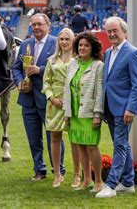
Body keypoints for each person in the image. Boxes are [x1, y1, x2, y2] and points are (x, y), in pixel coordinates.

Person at [12, 13, 65, 181]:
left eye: (40, 24)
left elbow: (62, 65)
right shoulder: (26, 44)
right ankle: (39, 169)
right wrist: (20, 82)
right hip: (27, 100)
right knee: (33, 138)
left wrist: (40, 70)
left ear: (48, 26)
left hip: (49, 100)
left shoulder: (57, 43)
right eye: (33, 24)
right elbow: (16, 68)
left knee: (54, 137)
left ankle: (58, 170)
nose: (36, 27)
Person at [96, 17, 137, 198]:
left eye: (115, 30)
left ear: (124, 31)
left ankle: (111, 185)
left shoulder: (133, 53)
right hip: (110, 107)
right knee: (122, 144)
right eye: (109, 31)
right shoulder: (108, 52)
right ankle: (129, 183)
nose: (112, 34)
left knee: (120, 146)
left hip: (124, 109)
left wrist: (131, 108)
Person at [63, 32, 105, 193]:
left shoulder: (98, 66)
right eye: (80, 45)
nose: (82, 48)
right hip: (74, 113)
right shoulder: (73, 63)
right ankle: (86, 179)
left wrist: (97, 114)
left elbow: (100, 92)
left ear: (92, 48)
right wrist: (67, 112)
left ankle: (99, 181)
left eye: (86, 45)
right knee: (80, 145)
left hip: (89, 113)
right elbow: (67, 89)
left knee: (91, 146)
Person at [42, 28, 78, 188]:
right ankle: (57, 174)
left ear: (73, 41)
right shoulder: (52, 60)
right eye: (61, 39)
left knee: (75, 140)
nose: (64, 42)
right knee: (55, 138)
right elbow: (46, 82)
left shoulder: (78, 59)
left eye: (67, 39)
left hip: (73, 103)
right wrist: (52, 98)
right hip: (54, 104)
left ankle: (77, 175)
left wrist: (70, 98)